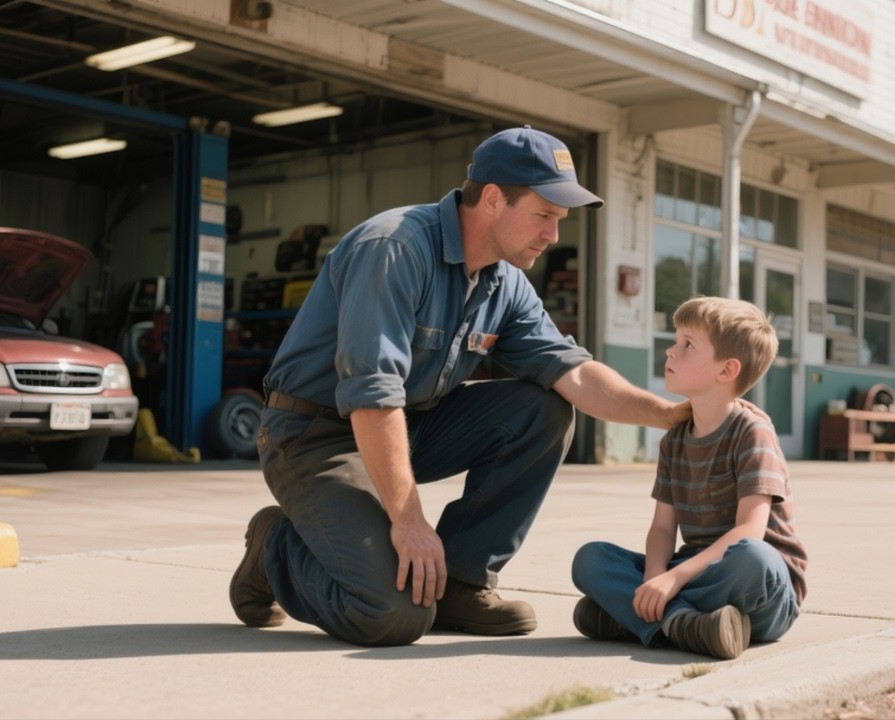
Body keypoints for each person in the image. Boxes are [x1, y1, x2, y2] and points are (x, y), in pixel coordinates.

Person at [229, 125, 691, 647]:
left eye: (559, 221)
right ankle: (275, 549)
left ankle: (462, 581)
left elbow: (576, 373)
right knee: (390, 614)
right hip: (314, 437)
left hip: (409, 426)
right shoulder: (395, 248)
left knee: (542, 409)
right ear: (493, 199)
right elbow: (372, 394)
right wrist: (408, 521)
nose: (554, 236)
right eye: (544, 215)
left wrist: (667, 413)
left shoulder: (506, 281)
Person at [570, 296, 807, 660]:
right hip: (696, 574)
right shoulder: (674, 440)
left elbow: (749, 532)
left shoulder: (752, 432)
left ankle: (637, 618)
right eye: (676, 340)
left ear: (726, 370)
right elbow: (663, 529)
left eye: (688, 345)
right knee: (590, 559)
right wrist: (654, 575)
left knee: (753, 557)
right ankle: (688, 625)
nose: (671, 351)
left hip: (759, 589)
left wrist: (673, 580)